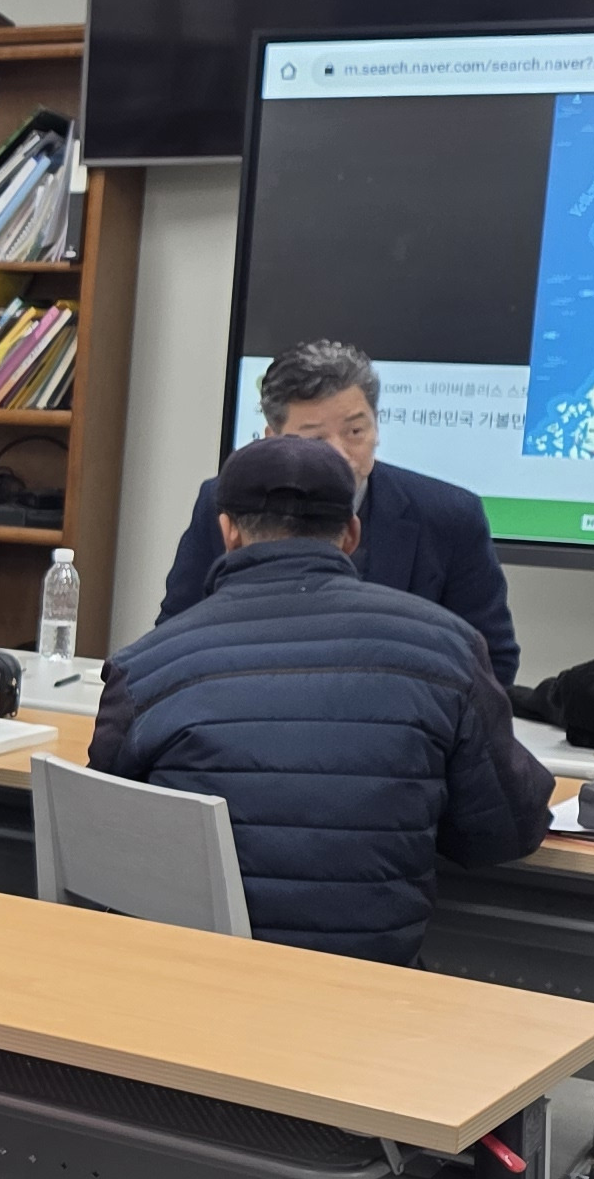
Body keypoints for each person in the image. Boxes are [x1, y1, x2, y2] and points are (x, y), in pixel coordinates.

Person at [93, 435, 550, 962]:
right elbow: (505, 831)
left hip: (190, 984)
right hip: (370, 992)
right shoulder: (448, 647)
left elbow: (103, 830)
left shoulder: (146, 665)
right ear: (351, 533)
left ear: (228, 531)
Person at [157, 340, 517, 683]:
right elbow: (173, 635)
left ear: (377, 425)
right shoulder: (225, 502)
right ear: (272, 438)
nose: (340, 454)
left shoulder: (449, 516)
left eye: (355, 431)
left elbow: (491, 662)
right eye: (315, 439)